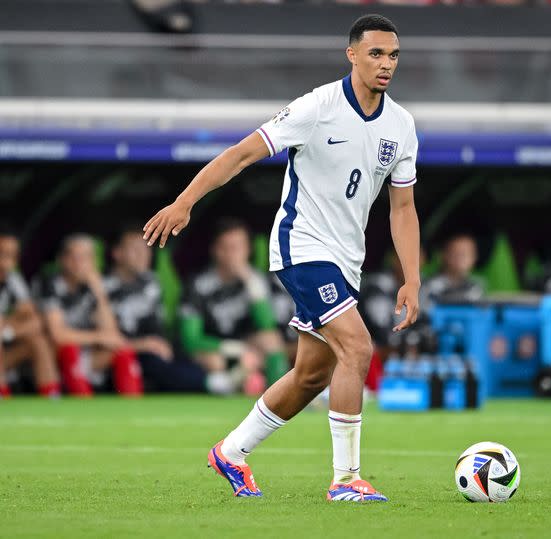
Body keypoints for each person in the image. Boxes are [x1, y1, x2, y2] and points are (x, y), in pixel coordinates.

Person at [143, 14, 421, 502]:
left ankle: (230, 452)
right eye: (375, 53)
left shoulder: (401, 125)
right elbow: (241, 154)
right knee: (356, 348)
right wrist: (184, 202)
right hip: (302, 246)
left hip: (346, 259)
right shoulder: (317, 106)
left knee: (312, 374)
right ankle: (346, 479)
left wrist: (412, 278)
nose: (386, 64)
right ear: (351, 54)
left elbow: (403, 207)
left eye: (393, 55)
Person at [106, 225, 238, 394]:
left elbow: (158, 328)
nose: (143, 255)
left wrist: (159, 344)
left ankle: (217, 382)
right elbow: (105, 335)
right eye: (134, 249)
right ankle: (215, 384)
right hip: (126, 352)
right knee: (155, 363)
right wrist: (142, 345)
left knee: (196, 361)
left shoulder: (151, 282)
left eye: (146, 249)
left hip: (156, 349)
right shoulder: (105, 287)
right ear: (117, 253)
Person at [179, 218, 288, 396]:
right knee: (215, 361)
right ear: (215, 250)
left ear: (248, 249)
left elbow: (268, 325)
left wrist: (250, 281)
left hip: (248, 348)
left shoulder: (255, 280)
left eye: (238, 247)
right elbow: (190, 339)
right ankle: (230, 385)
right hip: (216, 347)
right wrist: (238, 350)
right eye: (226, 248)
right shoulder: (198, 285)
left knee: (271, 340)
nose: (232, 254)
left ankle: (281, 396)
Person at [34, 234, 143, 396]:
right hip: (53, 356)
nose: (79, 264)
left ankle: (133, 409)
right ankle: (83, 404)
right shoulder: (50, 284)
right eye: (74, 257)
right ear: (62, 259)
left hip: (85, 354)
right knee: (69, 350)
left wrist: (99, 292)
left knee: (123, 351)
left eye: (86, 257)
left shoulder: (93, 286)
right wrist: (98, 337)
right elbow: (58, 335)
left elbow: (111, 333)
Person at [0, 225, 60, 398]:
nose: (7, 261)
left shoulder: (12, 279)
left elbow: (33, 318)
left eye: (12, 256)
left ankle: (52, 397)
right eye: (3, 254)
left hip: (5, 339)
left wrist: (8, 331)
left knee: (38, 339)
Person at [420, 234, 485, 314]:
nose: (461, 258)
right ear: (443, 255)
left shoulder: (476, 286)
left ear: (474, 257)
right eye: (456, 253)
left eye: (466, 254)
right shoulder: (429, 285)